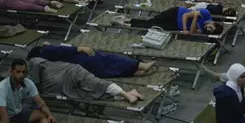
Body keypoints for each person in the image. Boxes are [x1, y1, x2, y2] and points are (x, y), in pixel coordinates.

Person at [27, 57, 145, 104]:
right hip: (67, 88)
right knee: (92, 95)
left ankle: (125, 94)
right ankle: (129, 93)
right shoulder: (26, 80)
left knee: (98, 84)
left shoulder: (34, 62)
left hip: (72, 73)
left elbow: (35, 78)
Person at [0, 59, 56, 123]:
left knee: (44, 115)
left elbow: (40, 102)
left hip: (17, 114)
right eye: (18, 72)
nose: (21, 75)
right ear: (11, 71)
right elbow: (3, 113)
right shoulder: (1, 88)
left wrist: (49, 115)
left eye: (23, 72)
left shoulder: (28, 83)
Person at [27, 43, 155, 78]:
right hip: (83, 58)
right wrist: (79, 48)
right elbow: (62, 50)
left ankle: (132, 72)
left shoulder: (44, 64)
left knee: (106, 71)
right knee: (111, 59)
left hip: (78, 70)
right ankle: (140, 65)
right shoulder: (47, 50)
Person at [112, 6, 223, 35]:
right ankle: (127, 21)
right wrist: (185, 27)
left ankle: (127, 23)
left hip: (174, 25)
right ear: (213, 23)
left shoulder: (204, 29)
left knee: (152, 26)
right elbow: (185, 16)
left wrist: (194, 18)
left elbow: (193, 31)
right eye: (211, 27)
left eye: (210, 30)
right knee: (153, 20)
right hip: (176, 12)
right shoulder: (206, 14)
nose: (208, 28)